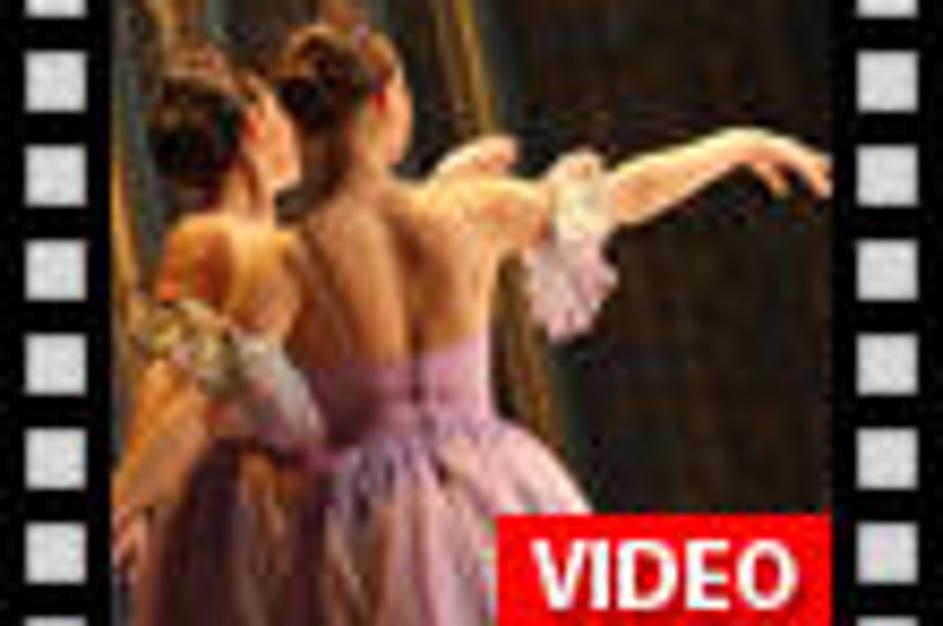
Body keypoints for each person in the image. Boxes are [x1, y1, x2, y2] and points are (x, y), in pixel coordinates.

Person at [267, 23, 831, 625]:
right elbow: (626, 194)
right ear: (387, 104)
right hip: (491, 491)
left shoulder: (286, 261)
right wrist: (739, 144)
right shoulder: (467, 214)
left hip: (362, 529)